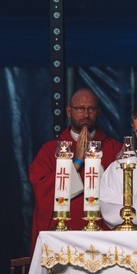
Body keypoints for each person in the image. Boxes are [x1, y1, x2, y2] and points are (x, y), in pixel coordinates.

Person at [29, 88, 122, 251]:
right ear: (69, 111)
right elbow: (42, 188)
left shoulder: (114, 149)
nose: (86, 114)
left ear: (98, 111)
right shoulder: (50, 150)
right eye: (80, 109)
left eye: (91, 109)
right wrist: (77, 161)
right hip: (63, 239)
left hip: (103, 238)